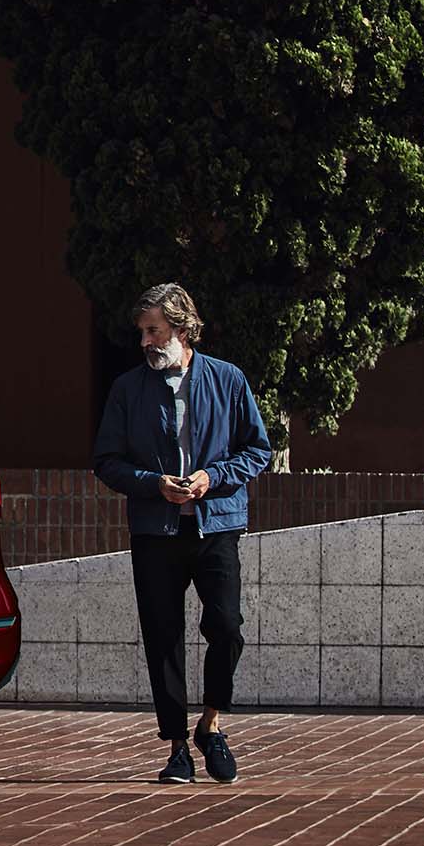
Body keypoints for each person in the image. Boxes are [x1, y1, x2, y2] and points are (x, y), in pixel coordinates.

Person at [92, 283, 272, 783]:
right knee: (162, 636)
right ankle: (176, 748)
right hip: (156, 530)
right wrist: (154, 485)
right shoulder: (128, 389)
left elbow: (258, 450)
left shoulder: (228, 380)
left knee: (227, 627)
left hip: (216, 525)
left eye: (154, 330)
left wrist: (211, 477)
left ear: (181, 327)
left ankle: (211, 726)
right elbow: (106, 461)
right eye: (142, 332)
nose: (146, 341)